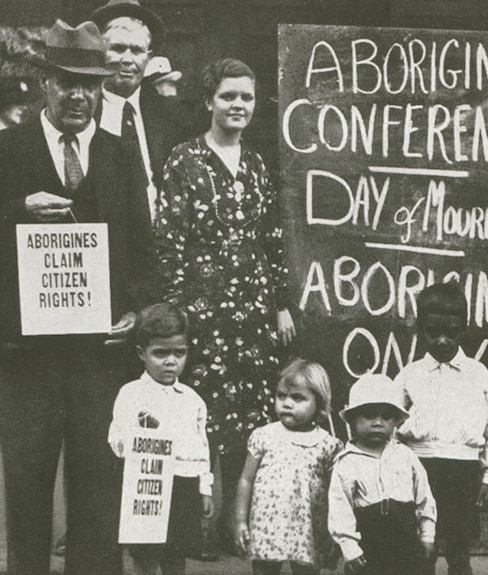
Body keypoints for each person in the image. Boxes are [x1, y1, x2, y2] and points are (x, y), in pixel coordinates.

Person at [0, 19, 159, 575]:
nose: (78, 95)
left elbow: (144, 251)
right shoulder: (8, 150)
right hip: (26, 357)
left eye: (89, 84)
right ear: (44, 83)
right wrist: (17, 209)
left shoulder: (119, 154)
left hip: (100, 355)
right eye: (66, 81)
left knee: (98, 488)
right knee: (26, 488)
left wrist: (138, 313)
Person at [155, 57, 297, 552]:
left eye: (246, 98)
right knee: (200, 416)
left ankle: (233, 526)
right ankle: (190, 530)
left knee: (246, 416)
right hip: (202, 307)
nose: (238, 105)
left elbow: (272, 238)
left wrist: (280, 303)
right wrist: (176, 312)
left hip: (254, 307)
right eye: (228, 96)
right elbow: (169, 239)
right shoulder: (184, 159)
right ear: (208, 101)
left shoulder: (257, 165)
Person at [395, 282, 488, 575]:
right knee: (421, 546)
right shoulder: (410, 375)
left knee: (459, 548)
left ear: (463, 328)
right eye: (433, 332)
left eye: (451, 332)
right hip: (419, 469)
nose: (442, 340)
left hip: (463, 474)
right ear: (420, 328)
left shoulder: (478, 375)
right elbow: (391, 422)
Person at [108, 303, 214, 575]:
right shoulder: (131, 394)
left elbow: (201, 449)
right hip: (146, 485)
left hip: (183, 485)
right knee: (145, 554)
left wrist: (204, 488)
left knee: (176, 553)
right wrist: (139, 438)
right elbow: (116, 439)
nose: (171, 361)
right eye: (160, 353)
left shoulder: (193, 401)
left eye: (179, 353)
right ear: (141, 354)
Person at [233, 359, 341, 575]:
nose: (287, 403)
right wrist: (239, 521)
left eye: (298, 398)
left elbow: (336, 492)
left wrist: (335, 533)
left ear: (319, 404)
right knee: (264, 569)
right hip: (268, 526)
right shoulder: (264, 436)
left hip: (308, 529)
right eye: (281, 396)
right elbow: (246, 479)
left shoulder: (327, 444)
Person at [90, 0, 191, 220]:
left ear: (149, 57)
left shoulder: (170, 117)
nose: (127, 60)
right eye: (117, 49)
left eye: (136, 51)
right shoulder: (84, 112)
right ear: (99, 52)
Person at [329, 373, 436, 575]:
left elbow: (425, 498)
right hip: (369, 545)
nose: (378, 422)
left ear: (395, 421)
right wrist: (350, 549)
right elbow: (339, 509)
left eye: (386, 416)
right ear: (352, 420)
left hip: (406, 543)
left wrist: (427, 536)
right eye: (369, 415)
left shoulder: (405, 456)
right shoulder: (347, 462)